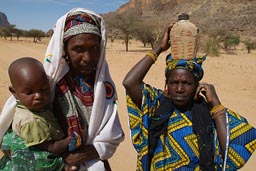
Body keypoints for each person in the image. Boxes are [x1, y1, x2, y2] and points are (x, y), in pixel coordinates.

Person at [0, 8, 124, 171]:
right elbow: (11, 142)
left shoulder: (103, 88)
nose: (87, 58)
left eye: (94, 48)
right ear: (64, 49)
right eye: (78, 49)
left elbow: (111, 136)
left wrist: (80, 156)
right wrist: (57, 161)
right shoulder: (45, 84)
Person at [122, 24, 256, 171]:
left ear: (197, 85)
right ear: (167, 84)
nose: (179, 89)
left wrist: (215, 103)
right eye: (174, 82)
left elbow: (232, 155)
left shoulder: (212, 113)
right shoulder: (156, 104)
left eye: (186, 83)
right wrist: (159, 48)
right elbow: (130, 83)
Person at [6, 57, 69, 170]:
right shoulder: (31, 121)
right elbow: (52, 148)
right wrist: (71, 140)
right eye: (29, 92)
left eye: (44, 89)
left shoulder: (38, 108)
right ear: (14, 92)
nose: (38, 96)